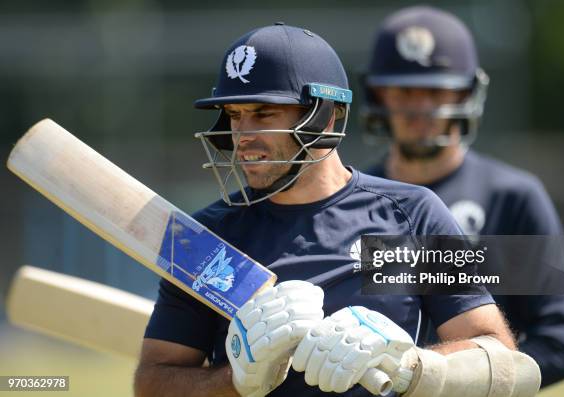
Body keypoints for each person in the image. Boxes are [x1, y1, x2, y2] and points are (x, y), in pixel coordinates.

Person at [134, 23, 540, 397]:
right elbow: (152, 382)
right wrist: (236, 380)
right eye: (235, 116)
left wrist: (409, 366)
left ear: (325, 116)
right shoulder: (204, 239)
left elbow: (498, 356)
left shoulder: (410, 214)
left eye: (263, 114)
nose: (243, 136)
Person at [361, 6, 564, 388]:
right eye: (404, 90)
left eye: (436, 90)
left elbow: (559, 345)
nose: (420, 107)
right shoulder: (355, 198)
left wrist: (451, 380)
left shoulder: (513, 197)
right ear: (379, 95)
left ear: (466, 92)